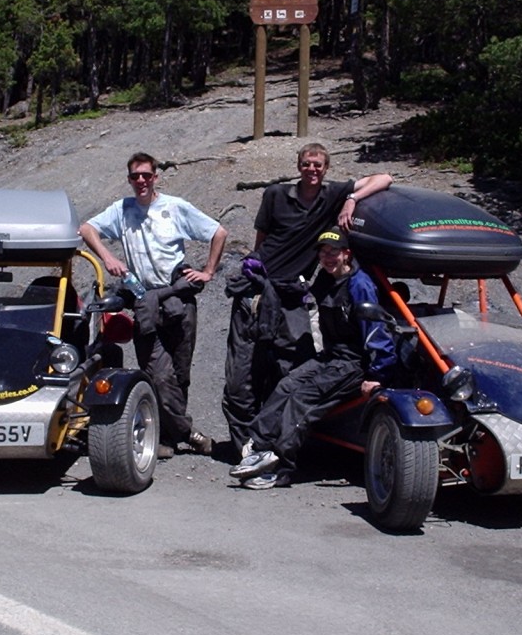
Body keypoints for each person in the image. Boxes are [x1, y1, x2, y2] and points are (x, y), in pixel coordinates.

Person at [222, 142, 392, 457]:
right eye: (306, 164)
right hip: (256, 290)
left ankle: (280, 444)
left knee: (291, 367)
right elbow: (262, 241)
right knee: (242, 372)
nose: (312, 170)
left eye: (318, 165)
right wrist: (256, 263)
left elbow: (384, 177)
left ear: (326, 169)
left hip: (291, 296)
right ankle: (243, 445)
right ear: (298, 166)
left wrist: (351, 201)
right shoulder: (275, 195)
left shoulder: (333, 195)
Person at [79, 152, 228, 459]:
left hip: (178, 300)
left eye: (146, 175)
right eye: (135, 177)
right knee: (157, 373)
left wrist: (208, 271)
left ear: (156, 176)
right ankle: (191, 434)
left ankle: (169, 437)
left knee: (180, 373)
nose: (141, 181)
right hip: (144, 302)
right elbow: (86, 229)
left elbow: (218, 232)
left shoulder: (174, 207)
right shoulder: (122, 210)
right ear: (129, 179)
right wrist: (108, 257)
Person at [229, 226, 398, 489]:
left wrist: (377, 376)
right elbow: (301, 294)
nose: (328, 257)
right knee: (287, 384)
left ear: (347, 254)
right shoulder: (325, 279)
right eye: (323, 253)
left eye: (334, 252)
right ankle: (258, 447)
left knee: (301, 400)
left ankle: (280, 468)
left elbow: (378, 333)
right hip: (331, 358)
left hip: (354, 365)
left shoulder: (360, 285)